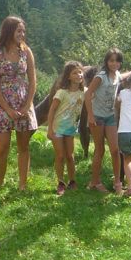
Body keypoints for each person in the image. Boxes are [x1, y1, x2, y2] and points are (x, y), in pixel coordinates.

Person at [0, 16, 38, 191]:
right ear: (8, 31)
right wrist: (7, 109)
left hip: (23, 102)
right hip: (1, 104)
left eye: (23, 31)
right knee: (2, 148)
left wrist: (26, 106)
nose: (22, 34)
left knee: (24, 147)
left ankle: (23, 185)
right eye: (18, 31)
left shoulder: (26, 52)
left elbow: (33, 81)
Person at [83, 48, 123, 193]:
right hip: (97, 118)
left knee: (115, 149)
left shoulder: (117, 75)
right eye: (111, 60)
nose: (114, 64)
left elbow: (125, 76)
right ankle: (95, 182)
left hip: (110, 117)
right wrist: (91, 115)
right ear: (106, 61)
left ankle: (117, 183)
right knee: (100, 150)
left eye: (117, 61)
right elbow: (87, 95)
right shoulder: (101, 76)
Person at [47, 60, 86, 196]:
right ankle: (60, 182)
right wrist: (50, 130)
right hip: (58, 128)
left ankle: (72, 180)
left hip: (70, 130)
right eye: (75, 73)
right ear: (68, 76)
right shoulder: (61, 93)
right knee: (60, 155)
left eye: (80, 72)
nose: (79, 75)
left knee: (70, 155)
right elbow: (52, 110)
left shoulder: (83, 92)